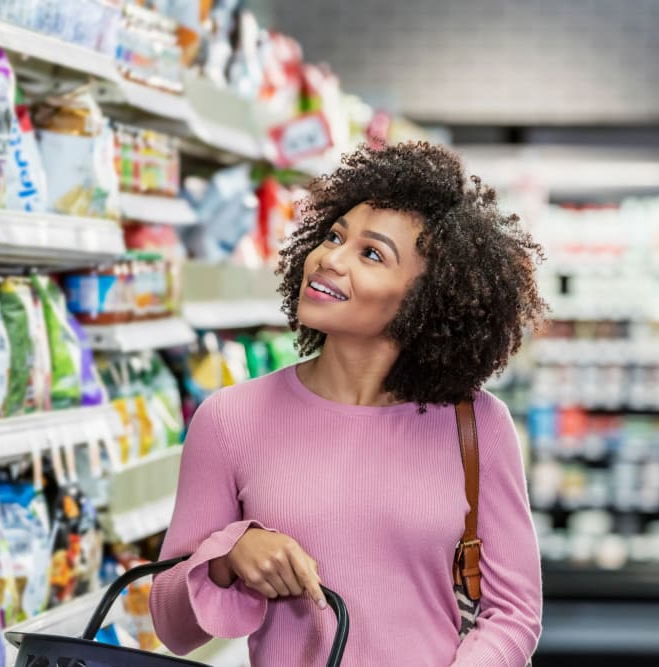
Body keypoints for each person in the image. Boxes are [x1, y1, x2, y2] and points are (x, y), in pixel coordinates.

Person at [149, 141, 546, 666]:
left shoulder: (476, 425)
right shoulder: (229, 419)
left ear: (427, 299)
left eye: (371, 253)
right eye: (335, 236)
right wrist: (227, 556)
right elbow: (171, 624)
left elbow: (514, 612)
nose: (329, 259)